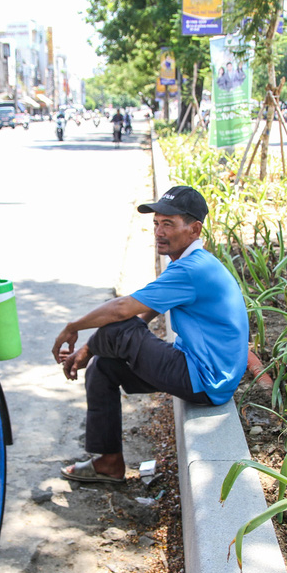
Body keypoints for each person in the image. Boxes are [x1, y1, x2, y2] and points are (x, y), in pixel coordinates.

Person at [51, 185, 249, 484]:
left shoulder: (192, 269)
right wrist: (104, 347)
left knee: (119, 328)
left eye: (168, 224)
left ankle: (89, 354)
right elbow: (148, 308)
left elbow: (121, 309)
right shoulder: (189, 262)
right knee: (103, 367)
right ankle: (109, 463)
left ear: (194, 229)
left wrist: (74, 329)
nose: (159, 231)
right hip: (201, 372)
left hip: (204, 379)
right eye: (156, 223)